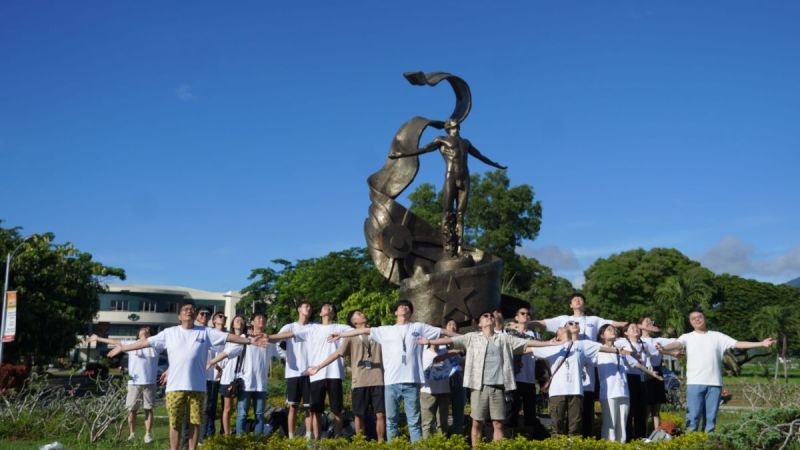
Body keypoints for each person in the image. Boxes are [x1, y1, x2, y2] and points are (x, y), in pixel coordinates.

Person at [106, 302, 269, 450]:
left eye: (192, 310)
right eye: (185, 309)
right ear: (179, 316)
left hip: (197, 387)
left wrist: (249, 341)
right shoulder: (169, 333)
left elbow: (228, 337)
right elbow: (144, 343)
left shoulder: (205, 332)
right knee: (175, 424)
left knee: (195, 422)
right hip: (175, 388)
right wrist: (123, 348)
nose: (189, 311)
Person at [418, 310, 559, 448]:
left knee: (498, 424)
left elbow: (528, 343)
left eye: (491, 316)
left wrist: (549, 343)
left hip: (498, 388)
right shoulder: (472, 337)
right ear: (480, 323)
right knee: (476, 422)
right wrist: (429, 340)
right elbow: (450, 339)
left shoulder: (504, 338)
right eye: (485, 316)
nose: (489, 317)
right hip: (479, 387)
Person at [330, 300, 455, 442]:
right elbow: (363, 330)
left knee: (413, 423)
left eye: (407, 306)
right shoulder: (386, 329)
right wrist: (341, 335)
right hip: (391, 382)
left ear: (410, 312)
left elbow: (441, 331)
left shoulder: (418, 327)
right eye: (401, 306)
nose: (404, 307)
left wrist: (462, 337)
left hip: (411, 382)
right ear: (395, 312)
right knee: (391, 422)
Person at [389, 118, 506, 255]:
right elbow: (424, 149)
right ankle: (448, 246)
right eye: (453, 128)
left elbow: (480, 156)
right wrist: (402, 154)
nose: (455, 130)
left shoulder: (465, 143)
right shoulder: (442, 140)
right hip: (450, 177)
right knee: (448, 212)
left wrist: (495, 164)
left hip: (464, 179)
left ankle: (459, 247)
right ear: (448, 129)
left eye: (457, 127)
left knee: (461, 214)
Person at [656, 309, 774, 432]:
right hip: (695, 383)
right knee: (693, 417)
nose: (697, 319)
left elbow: (738, 343)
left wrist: (761, 343)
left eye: (699, 317)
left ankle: (708, 443)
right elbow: (677, 344)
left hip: (715, 383)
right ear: (690, 322)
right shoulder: (687, 337)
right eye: (693, 318)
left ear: (704, 318)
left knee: (710, 420)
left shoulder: (717, 336)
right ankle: (692, 443)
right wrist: (664, 348)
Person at [531, 293, 627, 437]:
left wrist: (628, 329)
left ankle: (584, 442)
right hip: (560, 388)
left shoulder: (592, 326)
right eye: (570, 324)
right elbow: (542, 325)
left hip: (584, 384)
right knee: (559, 422)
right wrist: (526, 324)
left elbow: (607, 335)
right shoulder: (562, 323)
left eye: (580, 298)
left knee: (583, 417)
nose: (573, 325)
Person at [306, 310, 386, 441]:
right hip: (359, 381)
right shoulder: (350, 336)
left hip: (378, 380)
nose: (363, 314)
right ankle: (360, 443)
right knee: (359, 415)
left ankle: (381, 443)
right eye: (359, 314)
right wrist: (319, 366)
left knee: (381, 414)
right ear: (354, 322)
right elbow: (337, 354)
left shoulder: (377, 332)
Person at [89, 327, 159, 444]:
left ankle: (148, 434)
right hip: (133, 382)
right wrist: (98, 338)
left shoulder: (155, 344)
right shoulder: (131, 344)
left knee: (148, 409)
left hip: (149, 382)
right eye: (143, 329)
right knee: (132, 410)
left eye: (148, 329)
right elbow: (114, 342)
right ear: (138, 334)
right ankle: (132, 434)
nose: (146, 330)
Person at [294, 303, 352, 439]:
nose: (328, 307)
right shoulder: (312, 328)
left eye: (331, 307)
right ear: (320, 313)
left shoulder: (340, 327)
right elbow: (291, 334)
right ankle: (317, 440)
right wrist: (269, 337)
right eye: (324, 306)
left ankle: (337, 439)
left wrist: (340, 335)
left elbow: (354, 331)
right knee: (316, 410)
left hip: (335, 373)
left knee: (337, 410)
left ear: (333, 313)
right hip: (316, 374)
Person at [504, 306, 547, 439]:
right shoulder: (508, 332)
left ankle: (529, 439)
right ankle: (510, 439)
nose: (526, 316)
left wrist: (544, 377)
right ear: (516, 317)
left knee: (530, 411)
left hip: (530, 378)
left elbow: (540, 357)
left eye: (528, 314)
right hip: (514, 377)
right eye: (522, 313)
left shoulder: (536, 334)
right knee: (512, 410)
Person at [276, 301, 315, 439]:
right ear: (299, 309)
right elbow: (277, 344)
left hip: (310, 372)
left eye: (310, 307)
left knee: (309, 407)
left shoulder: (314, 327)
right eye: (306, 306)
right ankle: (291, 438)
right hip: (293, 373)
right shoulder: (289, 327)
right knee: (293, 406)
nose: (309, 308)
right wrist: (285, 357)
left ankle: (309, 437)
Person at [638, 316, 676, 430]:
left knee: (656, 408)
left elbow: (676, 341)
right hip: (644, 372)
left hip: (657, 372)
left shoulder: (657, 340)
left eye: (651, 322)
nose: (650, 323)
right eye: (647, 322)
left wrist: (665, 348)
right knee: (646, 407)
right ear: (640, 325)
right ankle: (642, 433)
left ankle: (656, 434)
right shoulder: (638, 340)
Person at [615, 323, 652, 440]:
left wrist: (649, 369)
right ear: (626, 333)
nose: (636, 329)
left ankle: (641, 437)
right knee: (629, 410)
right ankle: (627, 438)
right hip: (628, 377)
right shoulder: (621, 342)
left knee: (642, 411)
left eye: (637, 327)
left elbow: (648, 359)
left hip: (642, 378)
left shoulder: (644, 344)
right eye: (632, 328)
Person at [213, 314, 247, 435]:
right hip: (226, 378)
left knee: (240, 409)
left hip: (239, 378)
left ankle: (238, 433)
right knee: (227, 409)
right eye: (236, 320)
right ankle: (227, 434)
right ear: (232, 324)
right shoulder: (227, 339)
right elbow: (222, 355)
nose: (239, 322)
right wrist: (219, 369)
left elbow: (230, 353)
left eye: (241, 321)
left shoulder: (244, 338)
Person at [419, 343, 453, 439]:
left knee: (443, 423)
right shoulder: (423, 353)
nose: (437, 340)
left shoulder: (446, 352)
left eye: (439, 337)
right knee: (427, 424)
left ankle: (441, 445)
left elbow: (456, 364)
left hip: (444, 391)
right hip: (427, 392)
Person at [202, 312, 227, 439]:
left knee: (218, 405)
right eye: (220, 317)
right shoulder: (210, 334)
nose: (223, 319)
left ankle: (216, 432)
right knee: (207, 405)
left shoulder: (228, 335)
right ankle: (205, 433)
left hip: (223, 375)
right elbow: (209, 353)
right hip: (210, 374)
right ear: (214, 320)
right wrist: (216, 366)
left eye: (225, 317)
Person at [444, 318, 466, 436]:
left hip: (458, 377)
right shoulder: (441, 342)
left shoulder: (461, 342)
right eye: (449, 324)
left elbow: (466, 360)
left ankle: (458, 435)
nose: (452, 326)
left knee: (458, 407)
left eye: (454, 324)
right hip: (444, 379)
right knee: (443, 409)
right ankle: (443, 435)